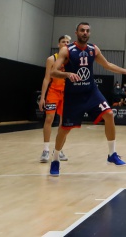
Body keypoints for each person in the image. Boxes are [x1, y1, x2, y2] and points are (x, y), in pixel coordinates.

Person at [49, 22, 126, 176]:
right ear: (76, 32)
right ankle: (55, 159)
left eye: (87, 31)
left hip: (91, 92)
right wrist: (67, 74)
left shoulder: (93, 49)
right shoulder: (67, 50)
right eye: (82, 30)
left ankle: (112, 154)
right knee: (64, 130)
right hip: (73, 95)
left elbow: (108, 65)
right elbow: (53, 72)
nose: (85, 33)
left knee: (109, 114)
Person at [38, 35, 72, 163]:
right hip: (53, 91)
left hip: (67, 93)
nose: (65, 44)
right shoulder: (52, 59)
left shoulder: (72, 60)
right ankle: (46, 150)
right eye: (63, 42)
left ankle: (59, 150)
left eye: (68, 42)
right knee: (49, 119)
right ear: (59, 45)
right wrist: (42, 97)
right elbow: (47, 78)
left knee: (65, 124)